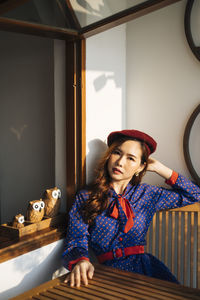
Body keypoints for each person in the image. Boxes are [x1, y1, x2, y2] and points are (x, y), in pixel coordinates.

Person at [62, 129, 200, 287]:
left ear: (141, 167)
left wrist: (160, 168)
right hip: (108, 275)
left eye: (131, 158)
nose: (120, 162)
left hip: (146, 270)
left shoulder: (147, 194)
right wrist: (81, 261)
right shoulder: (86, 196)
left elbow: (195, 194)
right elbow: (76, 238)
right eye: (117, 152)